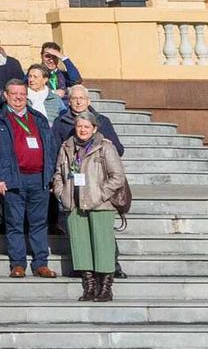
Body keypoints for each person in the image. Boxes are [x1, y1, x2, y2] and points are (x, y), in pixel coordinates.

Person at [52, 110, 128, 302]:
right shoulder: (67, 147)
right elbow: (59, 173)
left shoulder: (105, 147)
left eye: (86, 127)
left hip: (99, 204)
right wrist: (61, 192)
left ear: (94, 129)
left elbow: (117, 176)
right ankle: (89, 286)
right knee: (81, 246)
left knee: (103, 245)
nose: (82, 130)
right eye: (79, 126)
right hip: (75, 203)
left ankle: (105, 287)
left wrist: (101, 194)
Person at [0, 80, 57, 278]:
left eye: (22, 93)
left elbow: (51, 148)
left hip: (39, 178)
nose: (18, 97)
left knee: (39, 223)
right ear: (6, 95)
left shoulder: (38, 118)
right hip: (13, 179)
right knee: (15, 223)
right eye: (14, 94)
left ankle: (40, 263)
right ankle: (18, 264)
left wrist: (51, 174)